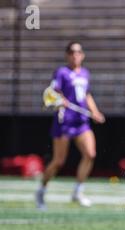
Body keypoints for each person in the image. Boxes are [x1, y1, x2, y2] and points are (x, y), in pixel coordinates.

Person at [35, 42, 105, 209]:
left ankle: (77, 191)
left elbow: (87, 95)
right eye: (72, 52)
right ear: (67, 55)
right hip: (64, 121)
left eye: (79, 52)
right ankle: (41, 190)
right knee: (58, 161)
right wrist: (61, 100)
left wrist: (95, 112)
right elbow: (52, 92)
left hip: (81, 121)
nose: (75, 55)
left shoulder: (85, 73)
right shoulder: (62, 72)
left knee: (90, 154)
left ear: (83, 55)